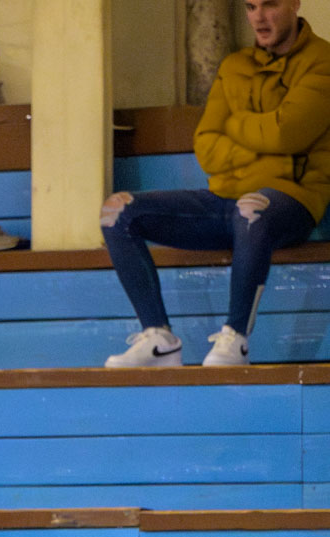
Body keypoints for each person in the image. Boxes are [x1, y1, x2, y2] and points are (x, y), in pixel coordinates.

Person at [101, 0, 330, 368]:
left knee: (251, 209)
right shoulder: (234, 66)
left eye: (270, 5)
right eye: (251, 6)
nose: (258, 17)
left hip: (292, 200)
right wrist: (267, 151)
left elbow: (286, 133)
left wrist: (234, 125)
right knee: (117, 211)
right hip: (225, 198)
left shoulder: (323, 60)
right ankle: (159, 338)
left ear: (294, 4)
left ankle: (236, 339)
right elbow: (206, 146)